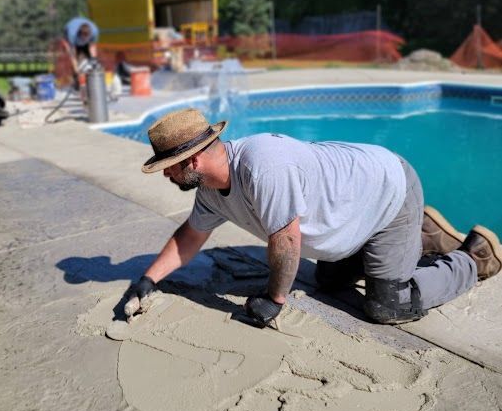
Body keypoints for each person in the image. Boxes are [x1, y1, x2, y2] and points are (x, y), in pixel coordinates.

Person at [121, 107, 502, 329]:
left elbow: (286, 241)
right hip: (356, 208)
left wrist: (274, 299)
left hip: (390, 189)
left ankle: (472, 258)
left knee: (388, 305)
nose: (168, 176)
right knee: (328, 277)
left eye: (169, 168)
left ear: (192, 160)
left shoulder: (263, 166)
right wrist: (148, 279)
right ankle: (420, 233)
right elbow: (190, 236)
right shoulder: (209, 192)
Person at [63, 17, 99, 83]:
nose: (85, 40)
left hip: (80, 32)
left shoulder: (95, 32)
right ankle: (75, 80)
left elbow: (93, 47)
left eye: (86, 38)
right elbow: (72, 55)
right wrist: (77, 70)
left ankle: (88, 78)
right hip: (68, 32)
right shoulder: (72, 35)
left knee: (90, 59)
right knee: (74, 58)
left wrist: (93, 61)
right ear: (80, 34)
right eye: (83, 38)